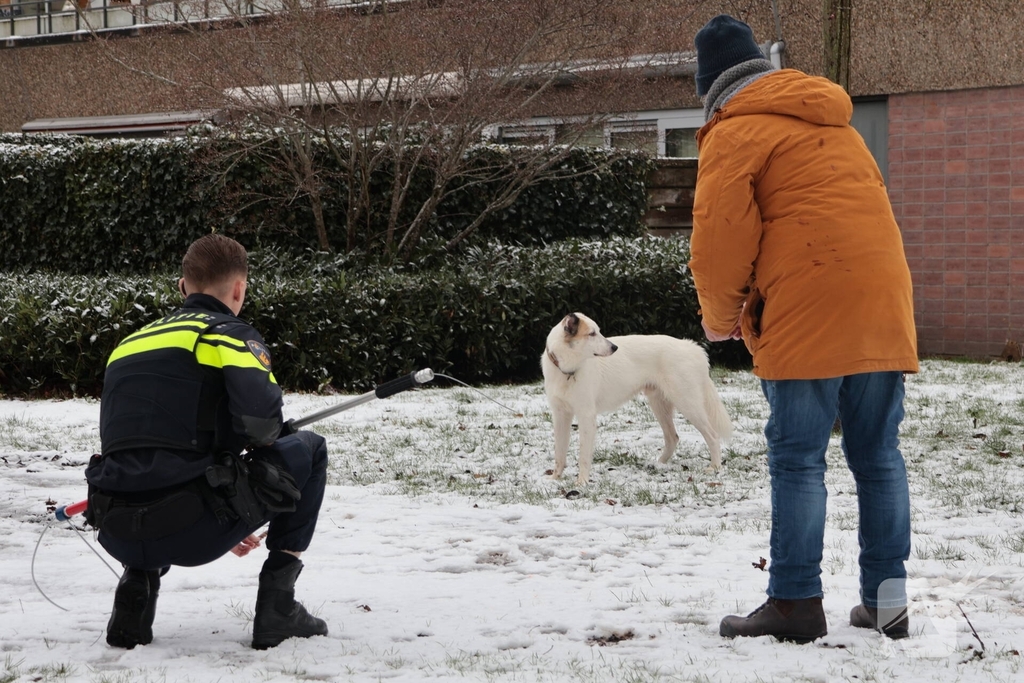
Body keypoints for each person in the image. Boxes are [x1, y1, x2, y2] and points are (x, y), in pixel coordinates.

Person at [688, 14, 918, 642]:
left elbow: (719, 243)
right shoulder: (835, 124)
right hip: (881, 299)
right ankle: (888, 603)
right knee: (877, 454)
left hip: (809, 302)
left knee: (797, 459)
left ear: (711, 88)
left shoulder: (733, 133)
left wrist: (719, 317)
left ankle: (793, 601)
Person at [85, 234, 330, 650]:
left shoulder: (126, 346)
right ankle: (278, 606)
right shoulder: (229, 335)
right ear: (239, 289)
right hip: (194, 523)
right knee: (311, 447)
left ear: (182, 287)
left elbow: (141, 448)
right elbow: (264, 430)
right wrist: (226, 507)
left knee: (145, 463)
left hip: (118, 527)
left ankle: (133, 602)